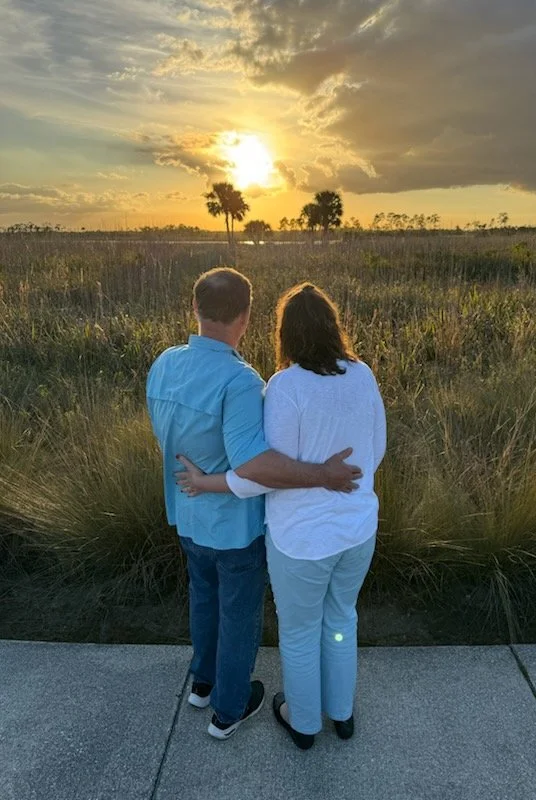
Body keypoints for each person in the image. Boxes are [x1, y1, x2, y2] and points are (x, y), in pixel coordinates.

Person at [146, 268, 362, 742]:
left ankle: (203, 683)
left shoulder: (164, 363)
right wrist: (323, 475)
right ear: (245, 316)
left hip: (186, 513)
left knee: (202, 598)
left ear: (195, 309)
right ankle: (228, 708)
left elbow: (164, 432)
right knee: (239, 613)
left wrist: (196, 478)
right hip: (234, 526)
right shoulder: (240, 380)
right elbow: (258, 464)